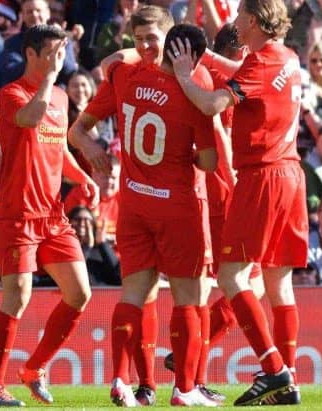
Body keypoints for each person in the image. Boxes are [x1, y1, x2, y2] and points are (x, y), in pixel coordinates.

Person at [70, 5, 229, 405]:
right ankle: (185, 389)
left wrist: (91, 149)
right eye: (139, 40)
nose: (144, 47)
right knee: (189, 297)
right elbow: (210, 161)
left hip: (135, 205)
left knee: (133, 296)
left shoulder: (124, 74)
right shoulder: (192, 80)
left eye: (150, 40)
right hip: (178, 205)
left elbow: (78, 131)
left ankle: (121, 381)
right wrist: (190, 157)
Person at [168, 0, 308, 405]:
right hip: (291, 175)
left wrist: (183, 74)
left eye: (239, 16)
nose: (234, 22)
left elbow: (212, 104)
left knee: (232, 277)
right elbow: (247, 76)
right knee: (279, 284)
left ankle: (273, 370)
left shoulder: (260, 61)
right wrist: (208, 57)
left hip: (262, 175)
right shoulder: (286, 57)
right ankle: (290, 381)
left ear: (251, 19)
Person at [0, 24, 98, 407]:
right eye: (51, 53)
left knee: (80, 293)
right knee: (17, 296)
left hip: (52, 214)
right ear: (30, 54)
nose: (58, 61)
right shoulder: (12, 93)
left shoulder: (63, 98)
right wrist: (48, 80)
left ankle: (34, 369)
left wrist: (83, 178)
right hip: (18, 214)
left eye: (62, 54)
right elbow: (31, 119)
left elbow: (59, 148)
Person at [68, 205, 121, 286]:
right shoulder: (65, 251)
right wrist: (87, 247)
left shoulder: (101, 250)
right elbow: (71, 276)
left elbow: (119, 277)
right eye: (77, 219)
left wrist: (103, 245)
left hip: (104, 295)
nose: (82, 224)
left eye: (87, 220)